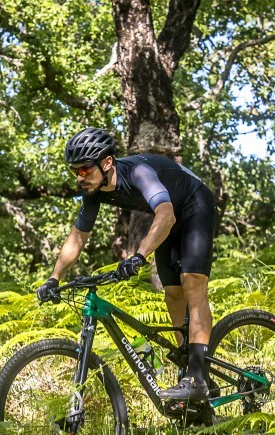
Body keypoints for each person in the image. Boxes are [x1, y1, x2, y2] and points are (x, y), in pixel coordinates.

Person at [36, 127, 218, 403]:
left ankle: (197, 376)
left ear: (107, 162)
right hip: (169, 219)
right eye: (74, 171)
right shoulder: (93, 192)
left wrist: (139, 255)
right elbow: (77, 237)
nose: (79, 177)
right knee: (172, 292)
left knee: (191, 281)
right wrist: (54, 278)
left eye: (85, 170)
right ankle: (188, 364)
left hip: (194, 205)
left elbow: (166, 214)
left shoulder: (137, 173)